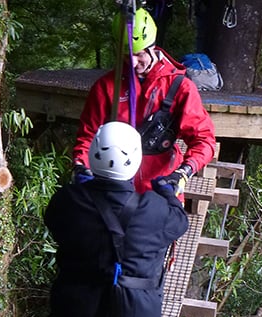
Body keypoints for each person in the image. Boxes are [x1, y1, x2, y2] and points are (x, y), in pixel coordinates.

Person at [45, 121, 189, 317]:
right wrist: (168, 192)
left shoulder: (68, 202)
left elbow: (55, 220)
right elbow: (179, 221)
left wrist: (82, 186)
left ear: (93, 156)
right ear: (134, 160)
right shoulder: (154, 211)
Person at [71, 7, 216, 200]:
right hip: (113, 190)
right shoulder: (106, 87)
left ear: (152, 48)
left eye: (139, 54)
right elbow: (88, 136)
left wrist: (184, 172)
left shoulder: (179, 87)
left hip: (160, 188)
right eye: (125, 55)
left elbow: (203, 139)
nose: (132, 62)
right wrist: (81, 166)